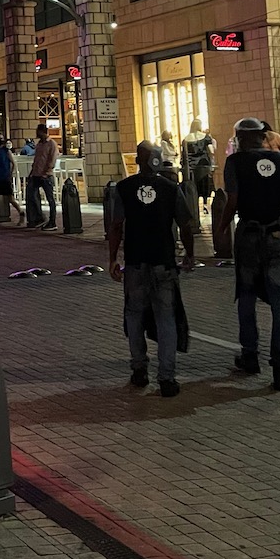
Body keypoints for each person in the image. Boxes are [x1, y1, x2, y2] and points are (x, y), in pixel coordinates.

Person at [224, 116, 280, 392]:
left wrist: (222, 227)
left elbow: (233, 200)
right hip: (277, 236)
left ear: (241, 138)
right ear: (262, 137)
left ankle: (250, 355)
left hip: (249, 236)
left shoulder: (235, 163)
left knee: (247, 296)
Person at [108, 142, 195, 398]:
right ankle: (167, 377)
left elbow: (116, 226)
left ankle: (139, 369)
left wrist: (113, 258)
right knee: (165, 317)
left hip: (135, 261)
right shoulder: (170, 188)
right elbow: (185, 224)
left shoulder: (124, 188)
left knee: (134, 315)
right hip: (163, 262)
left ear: (137, 160)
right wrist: (189, 254)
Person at [28, 125, 58, 229]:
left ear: (42, 132)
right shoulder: (39, 144)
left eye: (38, 131)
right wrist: (31, 172)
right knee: (32, 195)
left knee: (50, 199)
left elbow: (52, 159)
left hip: (46, 176)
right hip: (36, 174)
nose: (36, 134)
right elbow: (36, 160)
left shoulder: (51, 144)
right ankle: (38, 217)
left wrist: (46, 172)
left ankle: (52, 221)